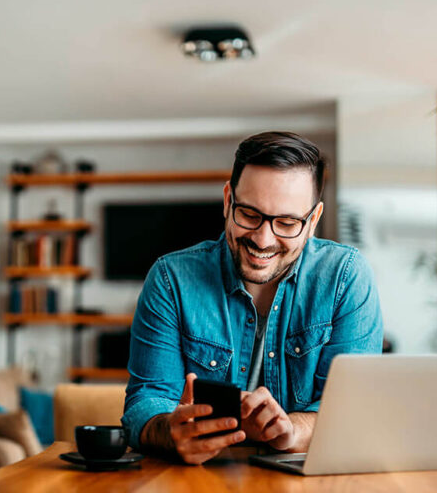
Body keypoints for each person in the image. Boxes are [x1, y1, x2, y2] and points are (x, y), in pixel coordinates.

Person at [121, 131, 383, 465]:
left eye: (287, 223)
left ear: (313, 220)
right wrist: (170, 432)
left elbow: (353, 412)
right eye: (249, 214)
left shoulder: (346, 277)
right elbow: (146, 402)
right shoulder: (171, 279)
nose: (263, 239)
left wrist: (291, 430)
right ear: (228, 200)